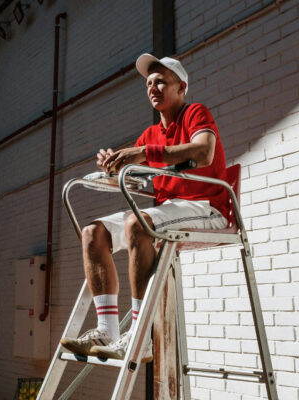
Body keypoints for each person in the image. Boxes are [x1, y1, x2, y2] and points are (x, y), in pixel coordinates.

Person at [60, 53, 230, 362]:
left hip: (207, 207)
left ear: (181, 87)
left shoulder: (195, 113)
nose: (153, 87)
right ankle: (107, 331)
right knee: (92, 233)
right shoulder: (150, 134)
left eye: (161, 82)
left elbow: (204, 152)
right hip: (169, 209)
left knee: (138, 225)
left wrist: (142, 153)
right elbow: (137, 168)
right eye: (149, 83)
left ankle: (140, 338)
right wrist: (112, 165)